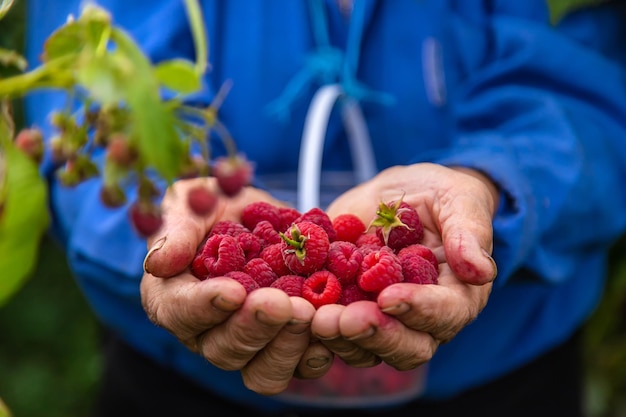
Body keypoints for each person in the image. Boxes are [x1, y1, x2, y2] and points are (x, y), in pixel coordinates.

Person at [22, 0, 626, 416]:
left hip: (504, 374)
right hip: (180, 384)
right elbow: (90, 91)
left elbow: (596, 83)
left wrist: (493, 181)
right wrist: (165, 209)